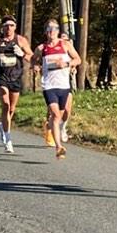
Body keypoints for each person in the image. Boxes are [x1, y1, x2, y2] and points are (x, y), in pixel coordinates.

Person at [0, 16, 31, 153]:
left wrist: (22, 54)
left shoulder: (21, 40)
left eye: (11, 25)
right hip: (1, 76)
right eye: (6, 25)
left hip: (15, 77)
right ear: (2, 27)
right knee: (6, 104)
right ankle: (8, 139)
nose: (8, 28)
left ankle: (3, 126)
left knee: (12, 109)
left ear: (15, 27)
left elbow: (32, 57)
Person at [37, 20, 81, 159]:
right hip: (49, 86)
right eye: (49, 28)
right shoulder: (41, 48)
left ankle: (48, 126)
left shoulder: (65, 45)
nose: (52, 31)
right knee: (56, 116)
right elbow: (33, 59)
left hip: (63, 86)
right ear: (46, 31)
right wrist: (35, 66)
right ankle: (58, 147)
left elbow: (78, 59)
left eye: (55, 28)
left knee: (59, 117)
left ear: (58, 31)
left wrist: (66, 64)